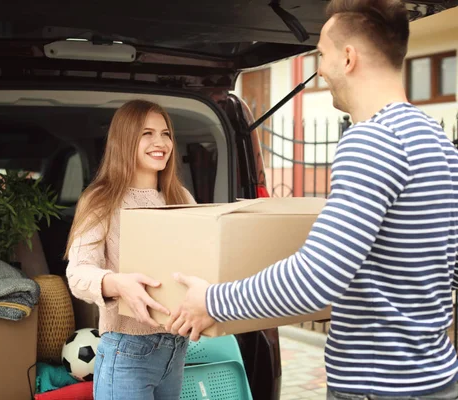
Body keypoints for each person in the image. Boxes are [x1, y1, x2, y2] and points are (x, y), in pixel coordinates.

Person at [165, 1, 458, 399]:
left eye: (322, 54)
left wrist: (211, 301)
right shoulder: (439, 143)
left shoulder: (372, 140)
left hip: (377, 388)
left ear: (348, 58)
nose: (320, 68)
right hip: (435, 380)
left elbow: (316, 279)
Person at [65, 99, 196, 400]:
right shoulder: (101, 200)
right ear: (124, 140)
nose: (160, 142)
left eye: (165, 134)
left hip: (176, 347)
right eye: (146, 133)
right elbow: (77, 274)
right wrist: (119, 284)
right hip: (127, 351)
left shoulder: (181, 196)